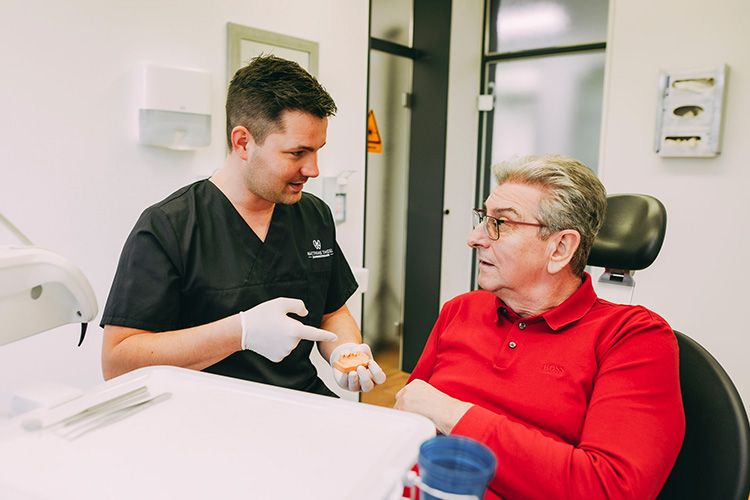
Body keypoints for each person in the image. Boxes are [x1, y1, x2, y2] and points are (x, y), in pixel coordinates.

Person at [394, 155, 684, 499]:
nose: (475, 238)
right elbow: (406, 423)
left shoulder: (633, 338)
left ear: (560, 248)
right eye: (483, 218)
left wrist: (455, 415)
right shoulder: (461, 309)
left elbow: (611, 489)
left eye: (500, 223)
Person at [100, 55, 385, 397]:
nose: (314, 170)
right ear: (243, 142)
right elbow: (117, 362)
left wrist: (345, 351)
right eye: (297, 153)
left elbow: (332, 312)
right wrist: (240, 332)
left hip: (302, 404)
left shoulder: (314, 215)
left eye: (318, 151)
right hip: (206, 414)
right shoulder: (168, 227)